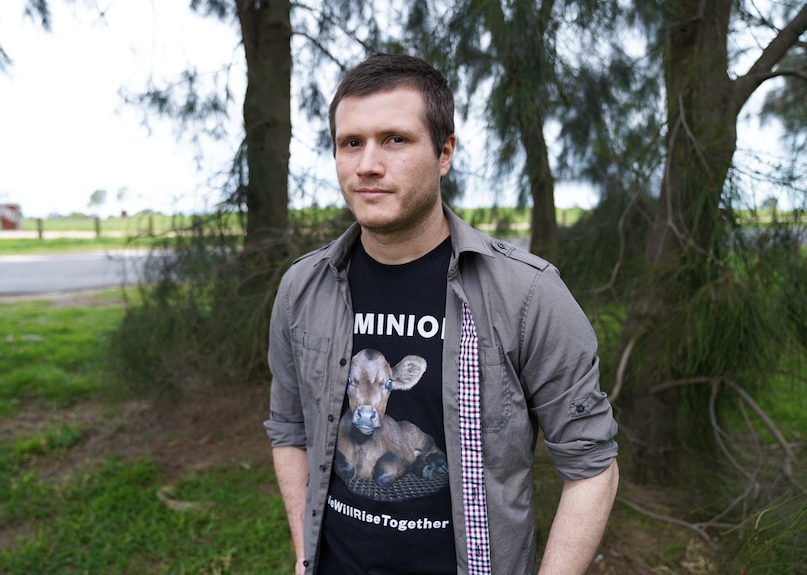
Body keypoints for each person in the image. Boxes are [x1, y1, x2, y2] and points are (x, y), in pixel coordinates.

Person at [264, 52, 619, 575]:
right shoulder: (302, 289)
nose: (367, 164)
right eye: (351, 143)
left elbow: (592, 467)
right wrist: (302, 557)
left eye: (396, 140)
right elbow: (289, 429)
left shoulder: (527, 295)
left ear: (445, 151)